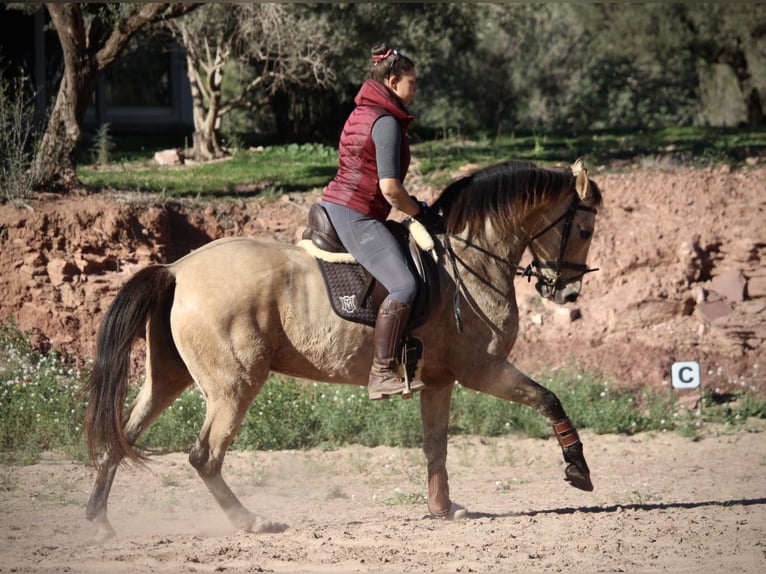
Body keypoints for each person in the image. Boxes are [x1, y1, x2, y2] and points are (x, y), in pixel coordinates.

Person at [320, 41, 433, 400]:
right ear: (394, 80)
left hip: (339, 204)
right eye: (411, 81)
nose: (415, 88)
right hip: (357, 213)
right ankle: (382, 372)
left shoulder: (364, 110)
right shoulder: (385, 122)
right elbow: (389, 190)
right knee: (404, 286)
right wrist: (419, 211)